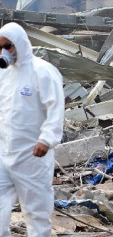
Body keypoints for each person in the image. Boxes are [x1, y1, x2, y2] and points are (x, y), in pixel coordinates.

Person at [0, 22, 65, 236]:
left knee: (36, 213)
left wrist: (46, 140)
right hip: (5, 153)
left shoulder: (42, 71)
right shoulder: (4, 75)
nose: (4, 52)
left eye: (8, 46)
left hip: (32, 157)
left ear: (20, 44)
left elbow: (56, 107)